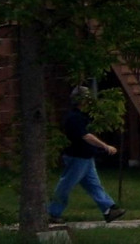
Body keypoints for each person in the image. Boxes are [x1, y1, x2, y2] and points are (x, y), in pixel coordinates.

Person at [47, 86, 126, 224]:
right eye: (87, 98)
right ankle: (52, 213)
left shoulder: (82, 117)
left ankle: (109, 210)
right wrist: (105, 146)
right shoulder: (74, 118)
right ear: (81, 100)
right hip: (77, 157)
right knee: (65, 185)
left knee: (94, 185)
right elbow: (86, 136)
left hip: (86, 157)